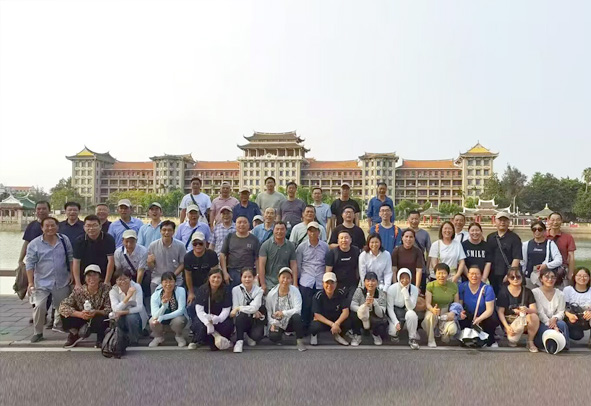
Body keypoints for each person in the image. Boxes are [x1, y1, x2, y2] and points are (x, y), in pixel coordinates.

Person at [26, 217, 73, 341]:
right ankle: (38, 333)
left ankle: (63, 327)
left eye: (53, 225)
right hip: (42, 282)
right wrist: (30, 283)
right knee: (39, 306)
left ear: (57, 227)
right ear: (42, 228)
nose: (50, 228)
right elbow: (30, 265)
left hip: (61, 280)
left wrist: (72, 274)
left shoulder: (64, 240)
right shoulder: (34, 244)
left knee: (62, 306)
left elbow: (70, 257)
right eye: (47, 226)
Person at [59, 264, 112, 348]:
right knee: (64, 314)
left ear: (99, 277)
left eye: (95, 275)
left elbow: (110, 309)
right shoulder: (79, 291)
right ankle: (74, 334)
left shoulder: (106, 289)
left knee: (104, 318)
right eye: (89, 275)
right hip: (82, 317)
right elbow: (63, 306)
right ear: (85, 278)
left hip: (97, 317)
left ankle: (101, 338)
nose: (92, 278)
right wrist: (79, 314)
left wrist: (96, 312)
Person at [496, 267, 540, 352]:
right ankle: (511, 336)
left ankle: (530, 342)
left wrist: (527, 310)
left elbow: (534, 310)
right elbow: (500, 312)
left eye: (518, 277)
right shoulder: (503, 292)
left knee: (534, 317)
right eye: (512, 277)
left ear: (522, 277)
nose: (515, 279)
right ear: (508, 279)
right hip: (511, 321)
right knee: (512, 340)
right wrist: (507, 327)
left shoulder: (527, 291)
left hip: (524, 320)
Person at [296, 222, 329, 331]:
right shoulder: (301, 247)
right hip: (306, 280)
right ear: (307, 232)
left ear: (319, 232)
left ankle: (317, 330)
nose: (312, 233)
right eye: (310, 231)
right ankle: (305, 329)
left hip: (320, 280)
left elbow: (326, 264)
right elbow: (298, 264)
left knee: (319, 307)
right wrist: (299, 279)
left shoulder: (325, 246)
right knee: (306, 306)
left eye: (315, 231)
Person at [189, 268, 233, 351]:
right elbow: (199, 310)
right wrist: (207, 322)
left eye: (218, 277)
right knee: (200, 326)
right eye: (214, 277)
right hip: (205, 317)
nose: (216, 280)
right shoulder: (202, 289)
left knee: (227, 325)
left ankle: (221, 340)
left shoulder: (226, 290)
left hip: (219, 317)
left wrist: (218, 319)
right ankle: (197, 341)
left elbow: (226, 309)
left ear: (222, 279)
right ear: (209, 278)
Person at [458, 265, 499, 347]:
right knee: (461, 317)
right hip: (469, 315)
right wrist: (460, 313)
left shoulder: (487, 289)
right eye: (472, 274)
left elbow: (489, 310)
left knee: (492, 318)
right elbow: (460, 305)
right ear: (468, 275)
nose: (474, 276)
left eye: (477, 274)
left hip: (483, 315)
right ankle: (466, 338)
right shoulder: (462, 287)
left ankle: (490, 339)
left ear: (481, 275)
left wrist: (479, 319)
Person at [266, 267, 306, 351]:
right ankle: (280, 336)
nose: (285, 280)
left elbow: (298, 309)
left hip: (291, 321)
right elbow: (269, 311)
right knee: (273, 337)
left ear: (291, 279)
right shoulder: (271, 294)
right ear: (278, 278)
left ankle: (299, 340)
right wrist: (272, 323)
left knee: (297, 317)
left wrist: (283, 313)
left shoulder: (295, 291)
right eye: (283, 277)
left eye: (288, 278)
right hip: (278, 322)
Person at [422, 263, 460, 348]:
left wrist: (453, 313)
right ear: (435, 274)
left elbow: (456, 304)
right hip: (433, 311)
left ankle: (444, 338)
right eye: (439, 273)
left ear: (448, 274)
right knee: (429, 317)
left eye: (444, 273)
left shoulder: (453, 286)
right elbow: (427, 303)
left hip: (446, 312)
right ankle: (431, 339)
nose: (441, 276)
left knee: (452, 329)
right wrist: (433, 309)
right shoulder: (430, 285)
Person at [73, 215, 116, 289]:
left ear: (100, 226)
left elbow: (111, 261)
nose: (91, 228)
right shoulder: (79, 241)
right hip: (85, 276)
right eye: (88, 226)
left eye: (94, 225)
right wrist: (77, 283)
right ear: (84, 227)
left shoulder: (108, 239)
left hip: (103, 275)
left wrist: (107, 281)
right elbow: (76, 262)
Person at [532, 268, 570, 353]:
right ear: (541, 279)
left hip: (555, 320)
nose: (550, 279)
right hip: (541, 321)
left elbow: (561, 311)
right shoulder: (535, 292)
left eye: (553, 277)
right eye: (547, 277)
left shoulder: (560, 294)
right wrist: (551, 324)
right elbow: (540, 312)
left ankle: (562, 345)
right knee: (546, 330)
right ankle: (547, 345)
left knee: (562, 324)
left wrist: (555, 319)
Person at [310, 272, 351, 346]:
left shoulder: (341, 293)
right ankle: (314, 335)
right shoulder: (318, 296)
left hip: (336, 320)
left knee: (348, 322)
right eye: (327, 283)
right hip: (324, 321)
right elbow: (317, 315)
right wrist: (332, 324)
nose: (329, 285)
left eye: (332, 283)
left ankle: (338, 335)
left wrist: (337, 323)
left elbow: (345, 312)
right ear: (323, 283)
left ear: (336, 284)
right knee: (314, 326)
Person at [184, 231, 218, 320]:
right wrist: (191, 292)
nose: (198, 245)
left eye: (200, 243)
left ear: (205, 243)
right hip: (194, 286)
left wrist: (212, 288)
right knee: (191, 305)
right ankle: (193, 323)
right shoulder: (188, 257)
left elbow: (215, 273)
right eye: (195, 244)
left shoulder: (212, 255)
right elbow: (188, 276)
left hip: (209, 285)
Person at [109, 268, 148, 346]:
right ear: (116, 281)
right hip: (121, 317)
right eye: (119, 280)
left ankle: (134, 340)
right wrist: (127, 297)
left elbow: (139, 307)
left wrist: (123, 312)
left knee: (131, 317)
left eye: (125, 279)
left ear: (130, 278)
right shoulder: (113, 291)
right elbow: (115, 309)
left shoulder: (136, 287)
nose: (123, 282)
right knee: (114, 317)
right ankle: (120, 339)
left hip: (137, 316)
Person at [486, 212, 522, 295]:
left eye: (505, 220)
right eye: (500, 220)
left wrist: (510, 274)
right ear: (495, 221)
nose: (502, 222)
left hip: (507, 273)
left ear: (509, 222)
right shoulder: (490, 237)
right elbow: (488, 257)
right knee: (494, 295)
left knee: (507, 296)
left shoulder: (514, 238)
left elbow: (516, 258)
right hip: (493, 274)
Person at [149, 271, 188, 347]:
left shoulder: (181, 290)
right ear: (161, 283)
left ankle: (179, 336)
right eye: (165, 282)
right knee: (152, 321)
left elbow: (181, 310)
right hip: (161, 319)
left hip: (175, 317)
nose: (168, 284)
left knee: (179, 320)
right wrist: (164, 305)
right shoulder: (155, 295)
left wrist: (163, 317)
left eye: (171, 281)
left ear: (175, 282)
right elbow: (155, 315)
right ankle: (158, 337)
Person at [219, 216, 260, 288]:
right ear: (235, 225)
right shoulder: (229, 237)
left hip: (248, 273)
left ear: (249, 225)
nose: (242, 224)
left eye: (244, 222)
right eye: (239, 222)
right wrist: (225, 273)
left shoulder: (254, 239)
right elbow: (222, 254)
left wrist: (257, 275)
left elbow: (257, 258)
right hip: (232, 272)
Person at [231, 268, 265, 353]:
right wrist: (250, 310)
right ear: (241, 278)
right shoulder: (235, 290)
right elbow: (235, 309)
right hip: (241, 319)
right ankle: (239, 341)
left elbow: (254, 307)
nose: (247, 279)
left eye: (250, 277)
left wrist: (239, 308)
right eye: (244, 277)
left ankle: (249, 336)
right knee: (241, 315)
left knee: (257, 336)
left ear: (254, 278)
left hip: (253, 319)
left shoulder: (259, 291)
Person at [349, 271, 388, 346]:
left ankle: (376, 335)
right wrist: (363, 308)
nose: (370, 283)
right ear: (364, 282)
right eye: (368, 281)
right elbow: (352, 305)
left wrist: (374, 303)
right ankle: (357, 335)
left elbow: (381, 313)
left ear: (377, 282)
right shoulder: (359, 291)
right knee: (352, 315)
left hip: (374, 317)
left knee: (383, 323)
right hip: (361, 317)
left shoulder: (381, 294)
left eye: (373, 281)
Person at [521, 220, 562, 288]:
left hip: (546, 278)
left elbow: (559, 260)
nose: (537, 231)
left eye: (540, 229)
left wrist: (546, 265)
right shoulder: (526, 244)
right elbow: (522, 262)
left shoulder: (550, 244)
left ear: (544, 231)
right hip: (529, 277)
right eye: (534, 229)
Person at [259, 221, 297, 292]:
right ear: (273, 230)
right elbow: (261, 265)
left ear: (286, 231)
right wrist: (263, 284)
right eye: (277, 229)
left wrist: (295, 283)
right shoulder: (266, 245)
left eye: (282, 229)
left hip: (285, 282)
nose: (279, 232)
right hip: (269, 283)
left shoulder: (290, 246)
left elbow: (293, 265)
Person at [147, 220, 185, 292]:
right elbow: (151, 267)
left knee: (178, 293)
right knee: (154, 288)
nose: (166, 232)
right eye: (164, 230)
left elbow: (182, 264)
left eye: (169, 230)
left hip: (175, 278)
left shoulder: (181, 246)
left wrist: (172, 276)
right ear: (160, 231)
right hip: (158, 278)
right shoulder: (153, 245)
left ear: (173, 232)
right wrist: (149, 262)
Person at [386, 269, 420, 349]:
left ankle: (412, 338)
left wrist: (406, 294)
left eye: (407, 278)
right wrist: (396, 322)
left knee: (412, 314)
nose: (405, 280)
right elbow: (390, 308)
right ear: (398, 278)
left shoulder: (414, 289)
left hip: (406, 312)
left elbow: (410, 307)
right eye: (402, 278)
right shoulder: (392, 289)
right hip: (395, 313)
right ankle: (395, 334)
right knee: (393, 331)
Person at [325, 230, 360, 304]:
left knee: (352, 303)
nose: (344, 240)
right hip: (337, 285)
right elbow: (328, 273)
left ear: (350, 240)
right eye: (341, 238)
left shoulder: (356, 251)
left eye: (346, 238)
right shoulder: (332, 253)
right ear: (338, 241)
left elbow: (358, 269)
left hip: (352, 285)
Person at [18, 200, 50, 269]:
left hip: (50, 261)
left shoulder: (54, 225)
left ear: (49, 210)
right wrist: (20, 260)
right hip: (34, 261)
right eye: (38, 209)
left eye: (44, 209)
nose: (41, 211)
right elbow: (26, 243)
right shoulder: (31, 225)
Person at [563, 267, 591, 342]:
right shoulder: (568, 290)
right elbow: (563, 306)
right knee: (577, 335)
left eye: (585, 276)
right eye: (579, 275)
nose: (582, 278)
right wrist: (569, 315)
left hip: (586, 318)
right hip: (572, 317)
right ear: (574, 277)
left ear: (589, 278)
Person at [546, 212, 576, 280]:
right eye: (552, 220)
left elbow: (571, 257)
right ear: (548, 221)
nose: (555, 222)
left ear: (561, 221)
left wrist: (570, 274)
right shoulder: (543, 236)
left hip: (562, 270)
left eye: (558, 220)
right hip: (545, 270)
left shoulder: (568, 237)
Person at [407, 210, 431, 292]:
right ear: (408, 219)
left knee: (420, 293)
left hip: (421, 266)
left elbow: (429, 251)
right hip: (406, 267)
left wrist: (427, 267)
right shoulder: (403, 232)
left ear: (419, 219)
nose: (414, 221)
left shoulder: (425, 234)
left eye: (416, 219)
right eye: (412, 219)